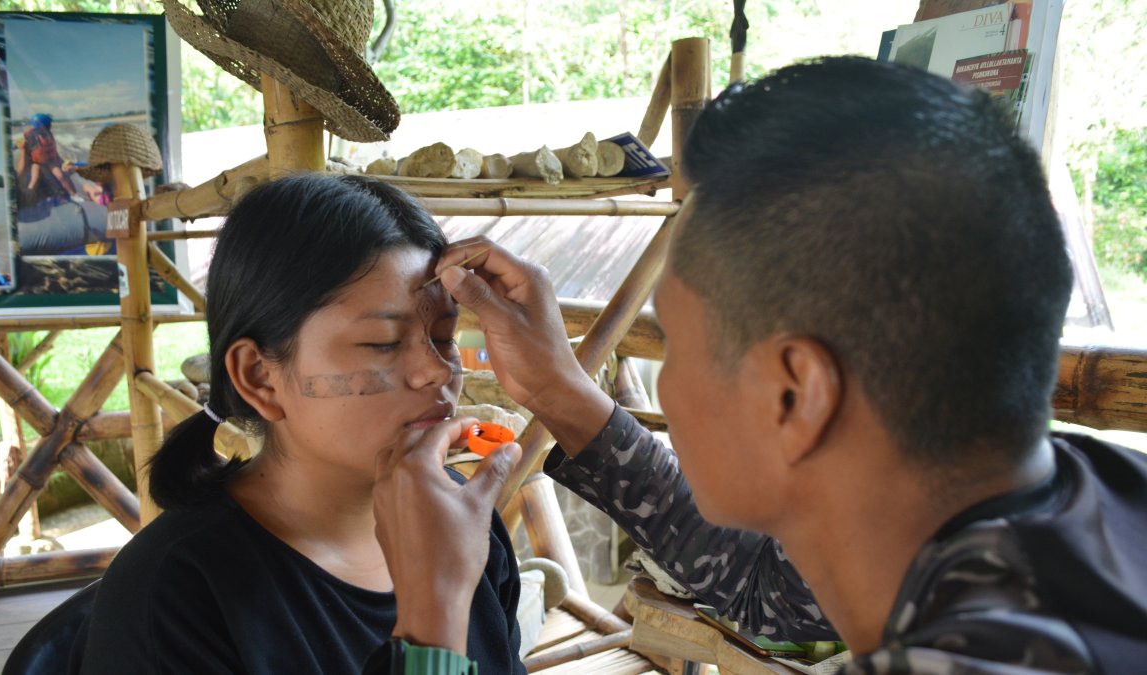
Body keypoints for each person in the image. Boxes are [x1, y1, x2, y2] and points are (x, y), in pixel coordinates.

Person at [394, 56, 1147, 673]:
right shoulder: (1083, 507)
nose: (673, 391)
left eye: (680, 347)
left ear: (794, 394)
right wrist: (559, 389)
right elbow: (765, 585)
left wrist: (431, 624)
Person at [77, 174, 526, 674]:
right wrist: (434, 608)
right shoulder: (171, 597)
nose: (438, 370)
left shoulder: (465, 518)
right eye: (382, 343)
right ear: (260, 378)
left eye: (444, 337)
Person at [22, 113, 83, 204]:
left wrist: (61, 162)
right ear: (43, 125)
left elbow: (52, 151)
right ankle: (27, 198)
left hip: (49, 161)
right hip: (36, 162)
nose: (51, 126)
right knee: (34, 180)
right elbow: (26, 148)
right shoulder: (32, 136)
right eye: (49, 124)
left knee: (61, 176)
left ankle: (73, 194)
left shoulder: (48, 135)